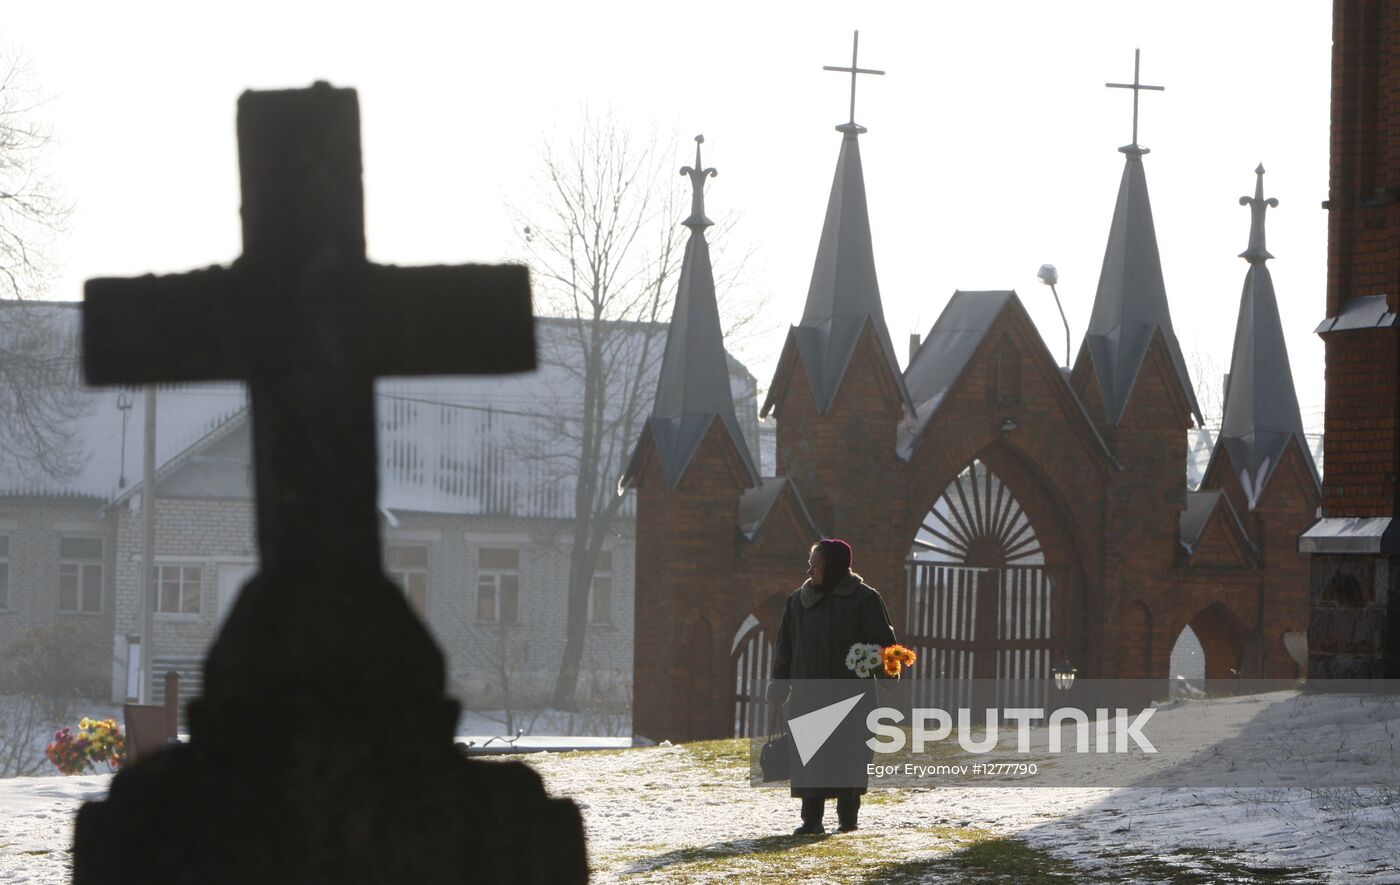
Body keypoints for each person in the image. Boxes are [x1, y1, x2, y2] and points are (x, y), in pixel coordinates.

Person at [767, 538, 897, 834]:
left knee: (849, 755)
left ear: (834, 566)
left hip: (852, 694)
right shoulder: (798, 602)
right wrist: (778, 685)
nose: (810, 569)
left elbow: (883, 643)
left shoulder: (864, 599)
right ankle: (811, 820)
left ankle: (847, 817)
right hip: (809, 694)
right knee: (811, 756)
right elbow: (785, 647)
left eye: (816, 564)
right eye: (810, 563)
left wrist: (888, 674)